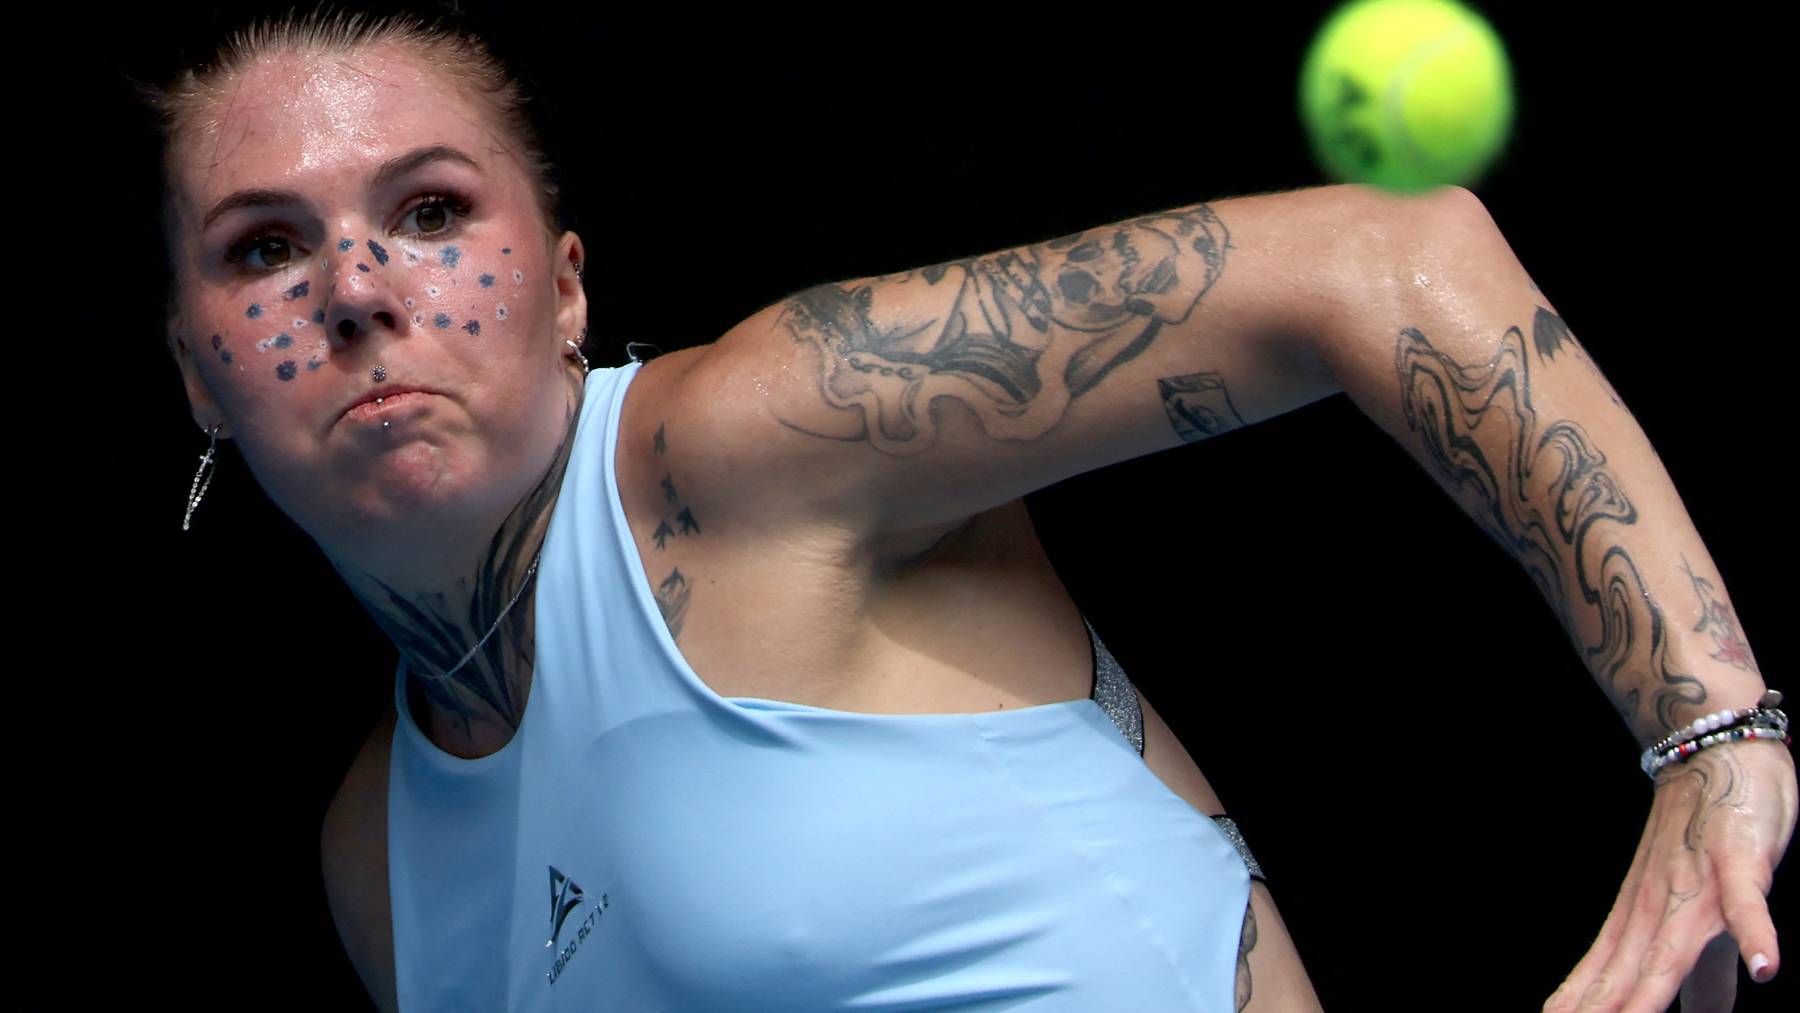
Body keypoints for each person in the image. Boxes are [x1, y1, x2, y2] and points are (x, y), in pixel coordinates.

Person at [140, 6, 1795, 1012]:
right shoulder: (379, 862)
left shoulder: (741, 443)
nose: (356, 286)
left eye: (430, 210)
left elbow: (1395, 259)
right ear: (200, 374)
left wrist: (1710, 728)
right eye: (262, 247)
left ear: (567, 295)